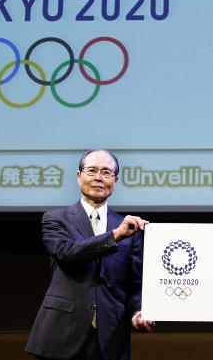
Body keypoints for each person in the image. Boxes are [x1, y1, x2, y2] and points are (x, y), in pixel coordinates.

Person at [25, 149, 154, 360]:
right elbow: (67, 254)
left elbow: (134, 283)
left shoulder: (129, 228)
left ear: (116, 180)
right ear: (79, 176)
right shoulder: (56, 219)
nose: (98, 178)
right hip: (63, 333)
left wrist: (138, 312)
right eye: (92, 170)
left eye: (106, 172)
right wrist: (115, 235)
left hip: (111, 336)